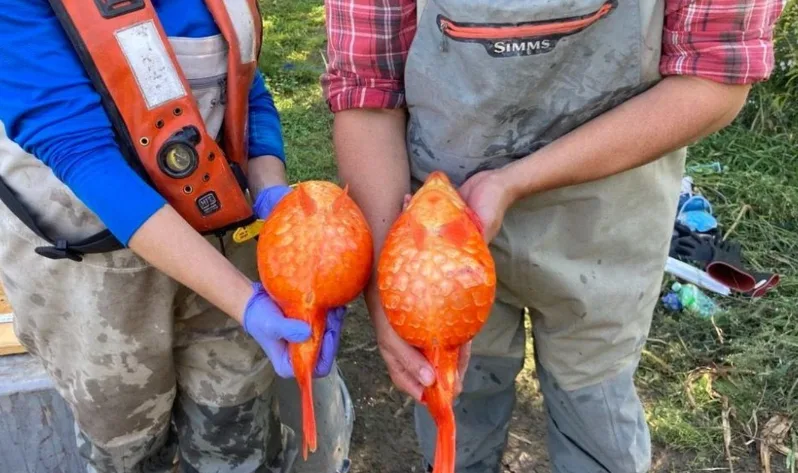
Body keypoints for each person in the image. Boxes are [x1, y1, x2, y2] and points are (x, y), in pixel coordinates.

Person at [322, 0, 785, 471]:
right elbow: (367, 91)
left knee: (595, 411)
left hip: (608, 218)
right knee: (455, 404)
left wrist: (515, 180)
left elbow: (715, 75)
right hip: (436, 245)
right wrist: (388, 281)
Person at [0, 1, 352, 472]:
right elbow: (82, 153)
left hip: (226, 228)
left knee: (236, 429)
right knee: (128, 444)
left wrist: (268, 187)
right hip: (91, 267)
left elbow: (246, 86)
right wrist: (244, 303)